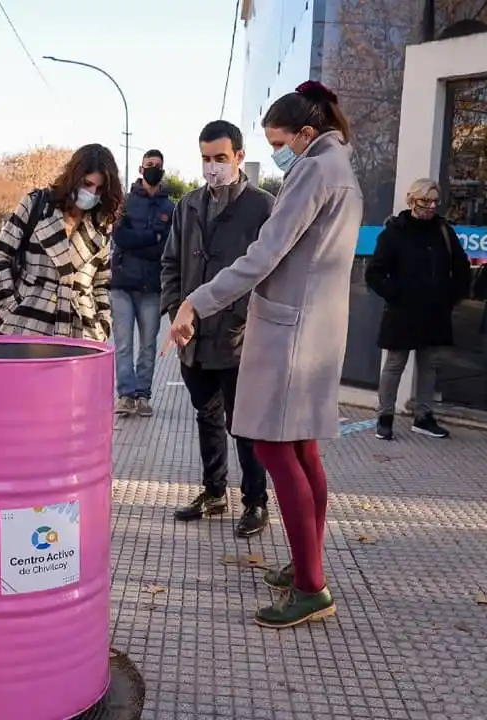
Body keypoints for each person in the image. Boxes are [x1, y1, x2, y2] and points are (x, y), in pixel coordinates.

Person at [165, 81, 361, 629]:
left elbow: (263, 256)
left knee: (276, 453)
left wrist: (195, 303)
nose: (281, 153)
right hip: (314, 327)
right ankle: (307, 565)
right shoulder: (337, 166)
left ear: (304, 133)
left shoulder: (314, 171)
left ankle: (310, 586)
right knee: (302, 454)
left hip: (290, 332)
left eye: (281, 142)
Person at [160, 120, 274, 539]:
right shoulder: (188, 204)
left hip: (240, 336)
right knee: (205, 414)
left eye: (220, 159)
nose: (212, 168)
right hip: (193, 337)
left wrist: (244, 316)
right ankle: (213, 491)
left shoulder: (263, 206)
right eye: (206, 159)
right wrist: (176, 310)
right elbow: (171, 263)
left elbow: (271, 272)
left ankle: (255, 501)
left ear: (239, 157)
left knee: (243, 423)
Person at [364, 178, 471, 441]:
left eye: (436, 201)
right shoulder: (394, 232)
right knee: (395, 364)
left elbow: (461, 267)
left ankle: (424, 416)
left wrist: (451, 296)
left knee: (429, 364)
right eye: (426, 201)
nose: (431, 206)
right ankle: (385, 416)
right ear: (412, 201)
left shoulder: (444, 231)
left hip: (435, 311)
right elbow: (375, 273)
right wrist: (397, 294)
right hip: (403, 311)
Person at [0, 144, 123, 341]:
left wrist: (102, 325)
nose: (92, 193)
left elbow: (101, 282)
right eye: (87, 184)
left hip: (81, 332)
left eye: (99, 188)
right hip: (28, 323)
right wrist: (9, 308)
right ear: (73, 178)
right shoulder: (36, 205)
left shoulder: (101, 224)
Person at [112, 150, 175, 417]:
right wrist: (153, 238)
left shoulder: (171, 208)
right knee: (124, 344)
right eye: (149, 165)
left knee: (148, 345)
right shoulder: (125, 203)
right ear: (141, 168)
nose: (153, 169)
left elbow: (168, 249)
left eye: (158, 166)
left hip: (152, 287)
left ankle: (143, 395)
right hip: (122, 285)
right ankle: (125, 395)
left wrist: (142, 242)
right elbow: (120, 239)